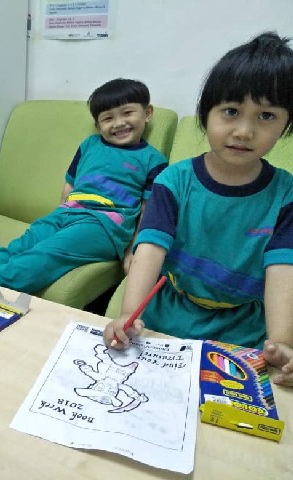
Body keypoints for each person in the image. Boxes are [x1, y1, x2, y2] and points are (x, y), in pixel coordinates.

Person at [103, 32, 293, 387]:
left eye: (266, 115)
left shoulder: (287, 196)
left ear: (286, 124)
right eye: (231, 111)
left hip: (243, 329)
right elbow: (149, 250)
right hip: (169, 314)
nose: (244, 131)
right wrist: (128, 314)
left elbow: (284, 270)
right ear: (207, 114)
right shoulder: (173, 181)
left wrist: (282, 343)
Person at [0, 78, 168, 294]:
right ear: (98, 125)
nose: (119, 123)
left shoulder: (153, 160)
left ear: (147, 113)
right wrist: (58, 215)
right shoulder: (90, 144)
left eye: (127, 113)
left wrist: (132, 252)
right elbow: (69, 185)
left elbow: (147, 211)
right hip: (67, 213)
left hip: (104, 226)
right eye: (108, 118)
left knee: (49, 252)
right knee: (23, 243)